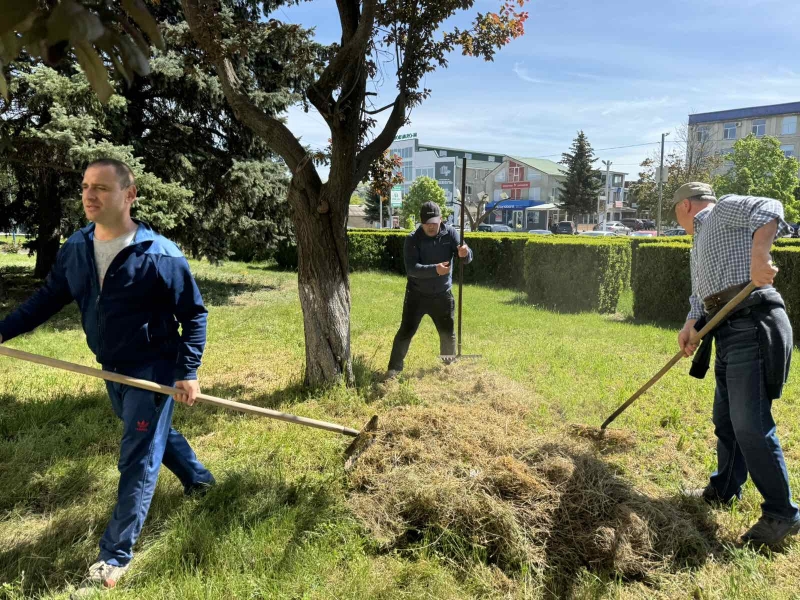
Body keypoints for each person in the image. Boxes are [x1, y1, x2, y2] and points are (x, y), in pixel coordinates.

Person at [0, 159, 214, 591]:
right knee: (152, 434)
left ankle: (114, 558)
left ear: (129, 195)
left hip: (153, 367)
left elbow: (194, 315)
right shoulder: (77, 247)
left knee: (136, 455)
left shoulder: (159, 254)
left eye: (101, 187)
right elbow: (47, 298)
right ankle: (201, 482)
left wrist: (187, 371)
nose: (89, 195)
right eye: (85, 187)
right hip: (111, 364)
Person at [673, 181, 799, 548]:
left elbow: (770, 204)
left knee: (750, 424)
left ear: (685, 207)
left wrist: (760, 255)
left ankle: (781, 514)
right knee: (726, 420)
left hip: (753, 322)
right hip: (727, 329)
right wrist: (691, 323)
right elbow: (703, 293)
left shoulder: (720, 210)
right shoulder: (699, 243)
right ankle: (724, 489)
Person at [386, 202, 473, 378]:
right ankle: (393, 371)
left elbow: (465, 257)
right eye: (427, 223)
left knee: (447, 332)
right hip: (416, 295)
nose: (431, 226)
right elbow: (412, 269)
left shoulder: (451, 233)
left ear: (441, 219)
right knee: (406, 331)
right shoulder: (412, 239)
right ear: (421, 221)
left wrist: (466, 253)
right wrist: (435, 269)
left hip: (442, 294)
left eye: (434, 222)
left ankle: (448, 368)